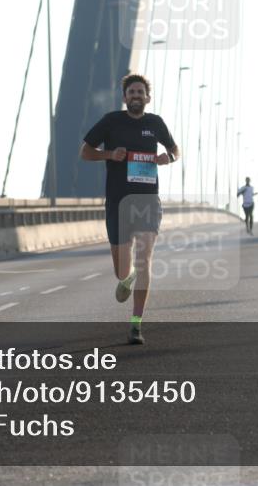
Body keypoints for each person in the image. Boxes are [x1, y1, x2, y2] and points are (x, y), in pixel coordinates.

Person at [80, 73, 179, 345]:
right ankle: (128, 276)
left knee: (145, 259)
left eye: (140, 92)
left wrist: (167, 157)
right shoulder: (111, 121)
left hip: (147, 200)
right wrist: (110, 155)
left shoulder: (155, 123)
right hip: (118, 201)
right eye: (131, 92)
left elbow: (175, 150)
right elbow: (85, 152)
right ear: (125, 98)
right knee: (122, 271)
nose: (136, 96)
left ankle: (136, 324)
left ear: (148, 98)